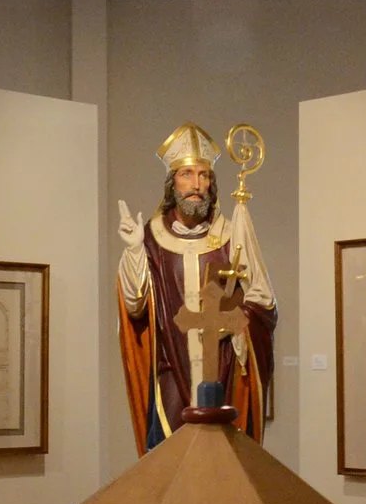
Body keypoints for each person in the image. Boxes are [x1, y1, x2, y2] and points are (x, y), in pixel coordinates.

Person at [115, 123, 277, 452]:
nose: (196, 185)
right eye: (187, 174)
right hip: (171, 369)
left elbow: (263, 301)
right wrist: (134, 250)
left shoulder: (229, 235)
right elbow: (135, 306)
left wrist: (237, 323)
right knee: (170, 458)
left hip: (222, 368)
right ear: (172, 182)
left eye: (204, 176)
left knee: (224, 459)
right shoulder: (152, 238)